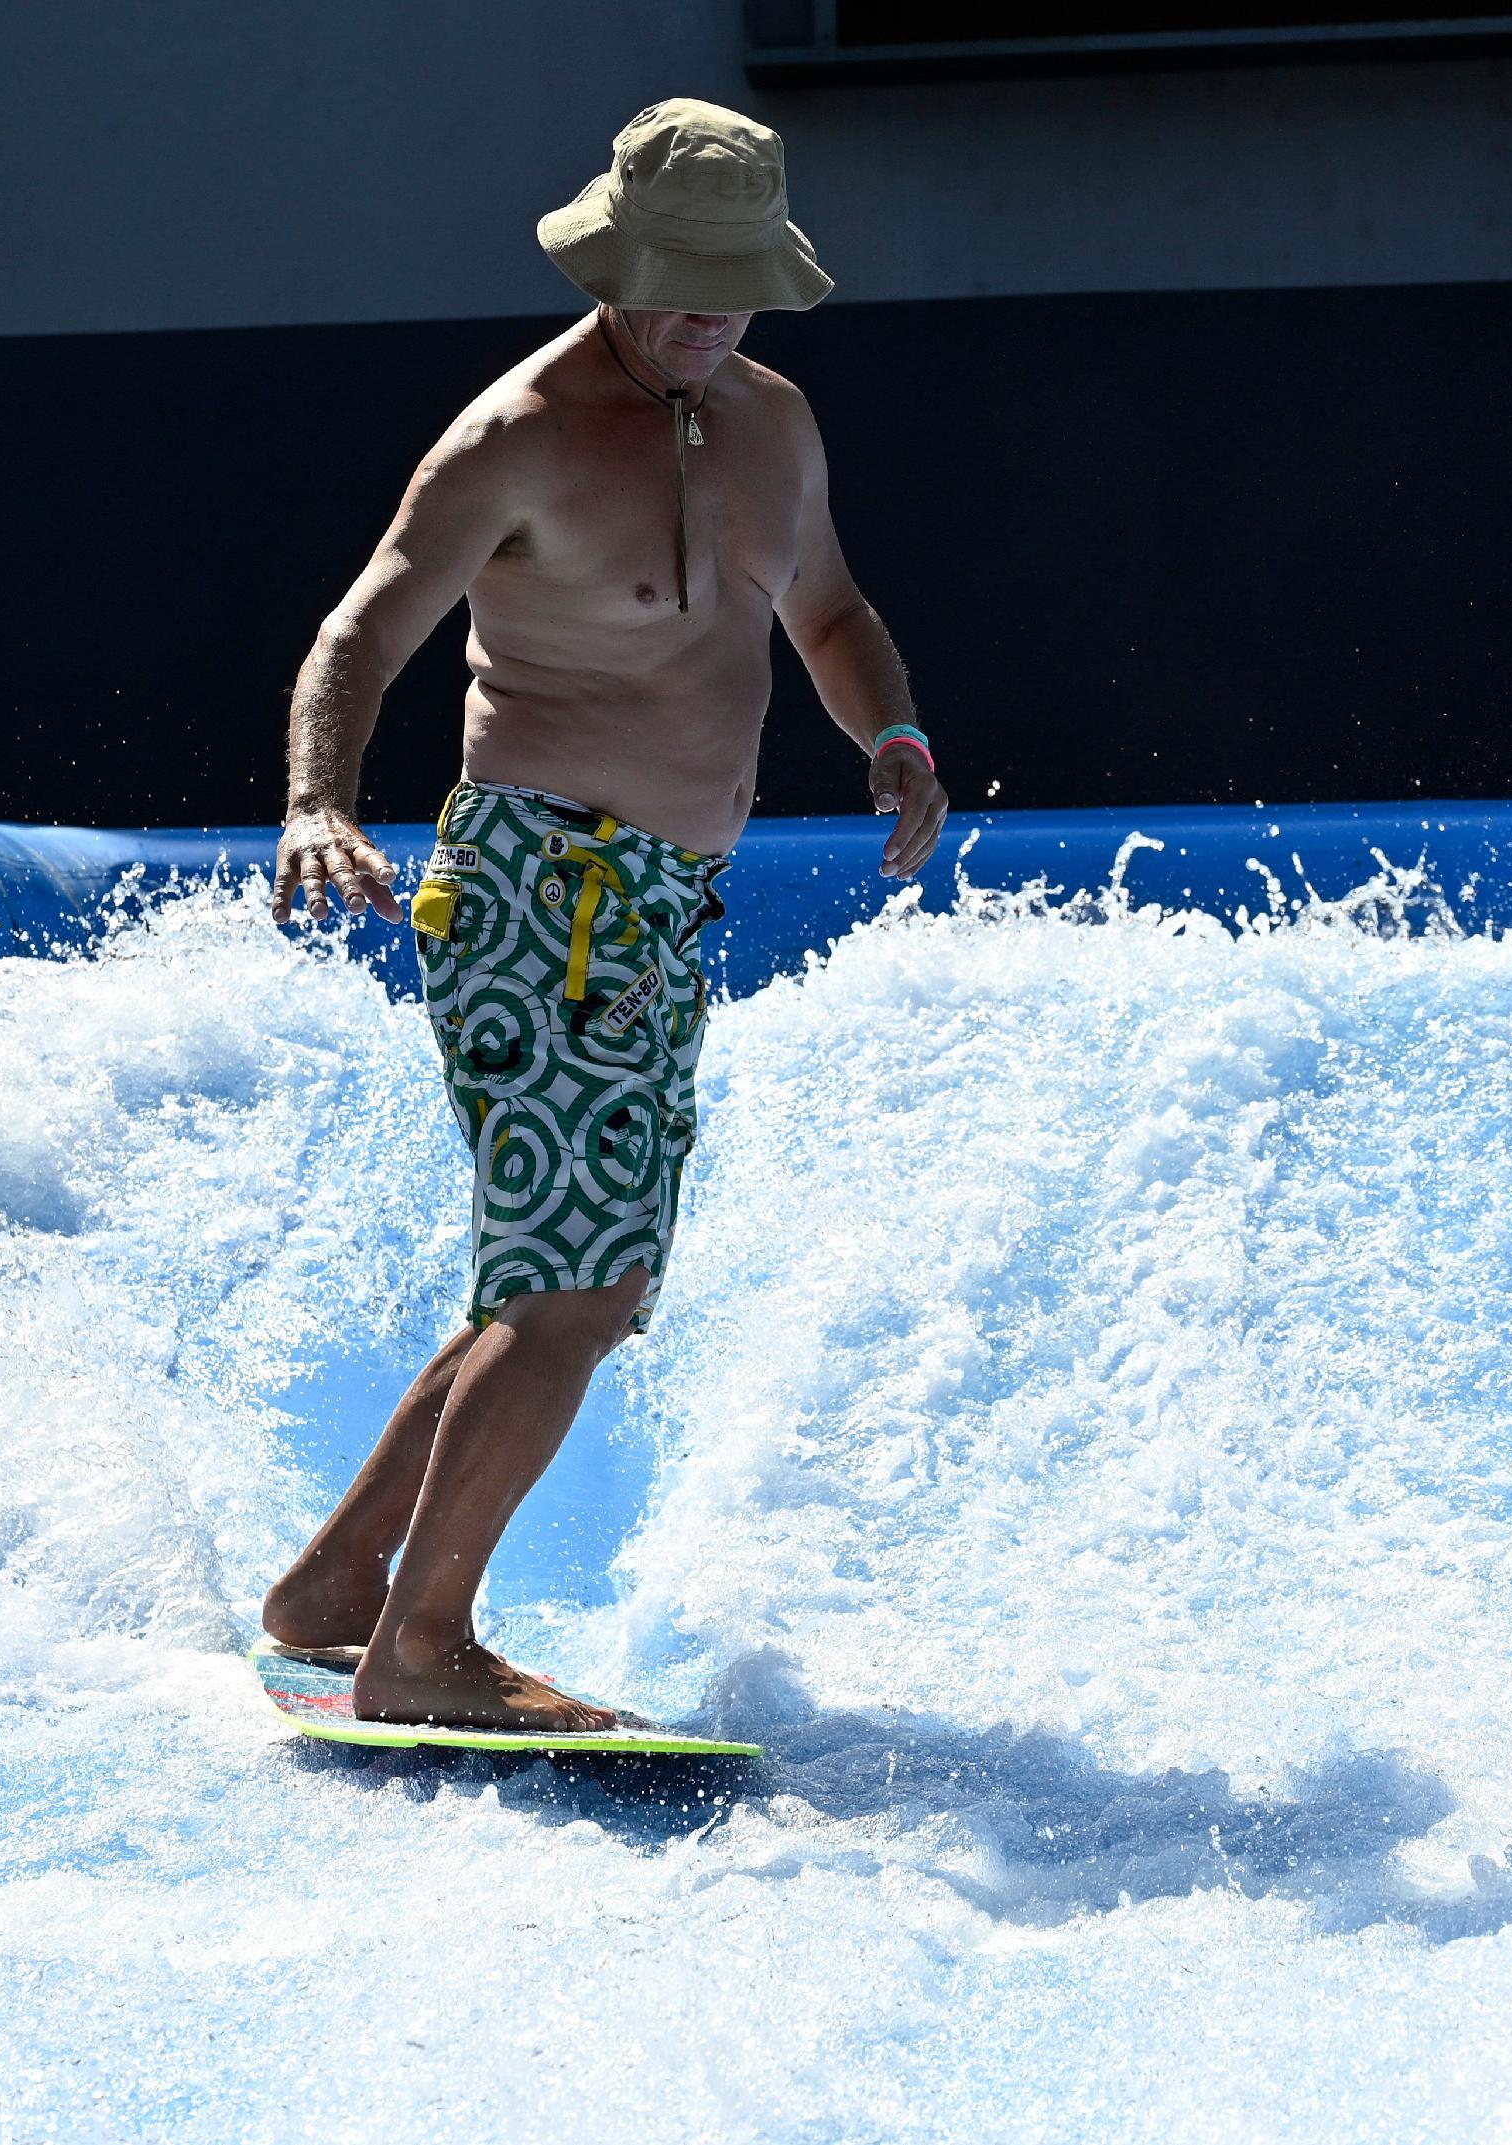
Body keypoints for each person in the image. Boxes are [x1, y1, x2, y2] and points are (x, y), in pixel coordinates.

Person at [259, 99, 947, 1729]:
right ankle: (420, 1654)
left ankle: (340, 1586)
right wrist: (316, 796)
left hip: (656, 910)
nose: (713, 316)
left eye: (738, 289)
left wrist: (894, 732)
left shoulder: (774, 420)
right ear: (618, 262)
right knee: (573, 1291)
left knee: (575, 1285)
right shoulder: (517, 437)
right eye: (686, 284)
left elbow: (831, 609)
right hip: (536, 890)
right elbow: (359, 633)